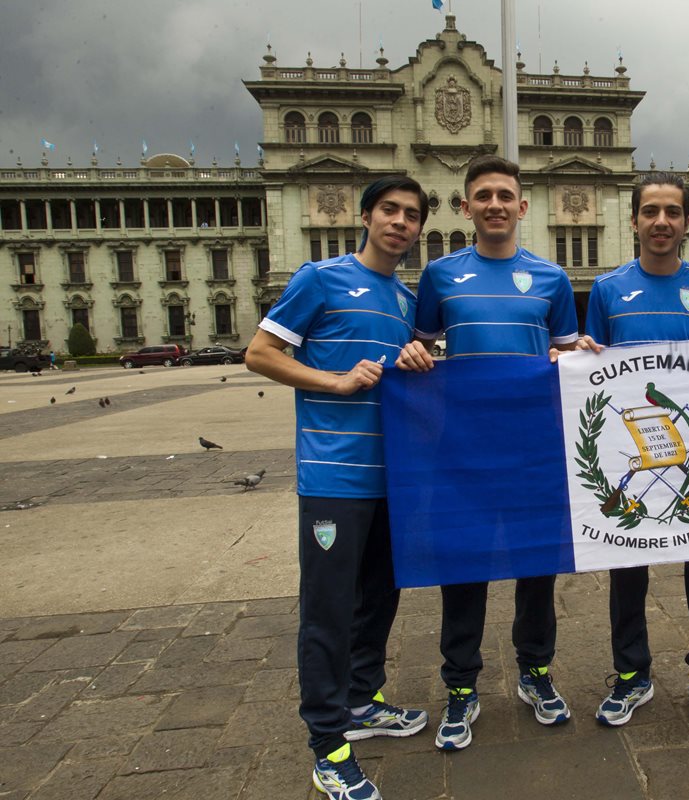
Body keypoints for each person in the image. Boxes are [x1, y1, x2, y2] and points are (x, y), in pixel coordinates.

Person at [396, 155, 597, 751]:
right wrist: (411, 356)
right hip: (462, 451)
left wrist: (579, 355)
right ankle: (461, 686)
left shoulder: (552, 279)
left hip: (535, 449)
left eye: (504, 195)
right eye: (482, 196)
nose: (494, 205)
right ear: (466, 206)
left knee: (537, 565)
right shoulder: (439, 276)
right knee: (464, 566)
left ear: (522, 205)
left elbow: (564, 355)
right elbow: (421, 346)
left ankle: (536, 672)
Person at [246, 176, 431, 800]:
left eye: (411, 215)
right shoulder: (319, 279)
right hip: (333, 478)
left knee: (378, 598)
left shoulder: (405, 301)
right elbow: (260, 353)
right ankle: (328, 745)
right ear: (366, 215)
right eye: (390, 210)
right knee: (327, 610)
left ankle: (361, 699)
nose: (400, 223)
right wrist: (332, 381)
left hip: (391, 478)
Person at [583, 172, 689, 735]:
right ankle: (631, 675)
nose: (661, 222)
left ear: (686, 221)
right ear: (634, 221)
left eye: (672, 211)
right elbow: (593, 370)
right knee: (626, 571)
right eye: (650, 211)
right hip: (633, 452)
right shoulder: (606, 290)